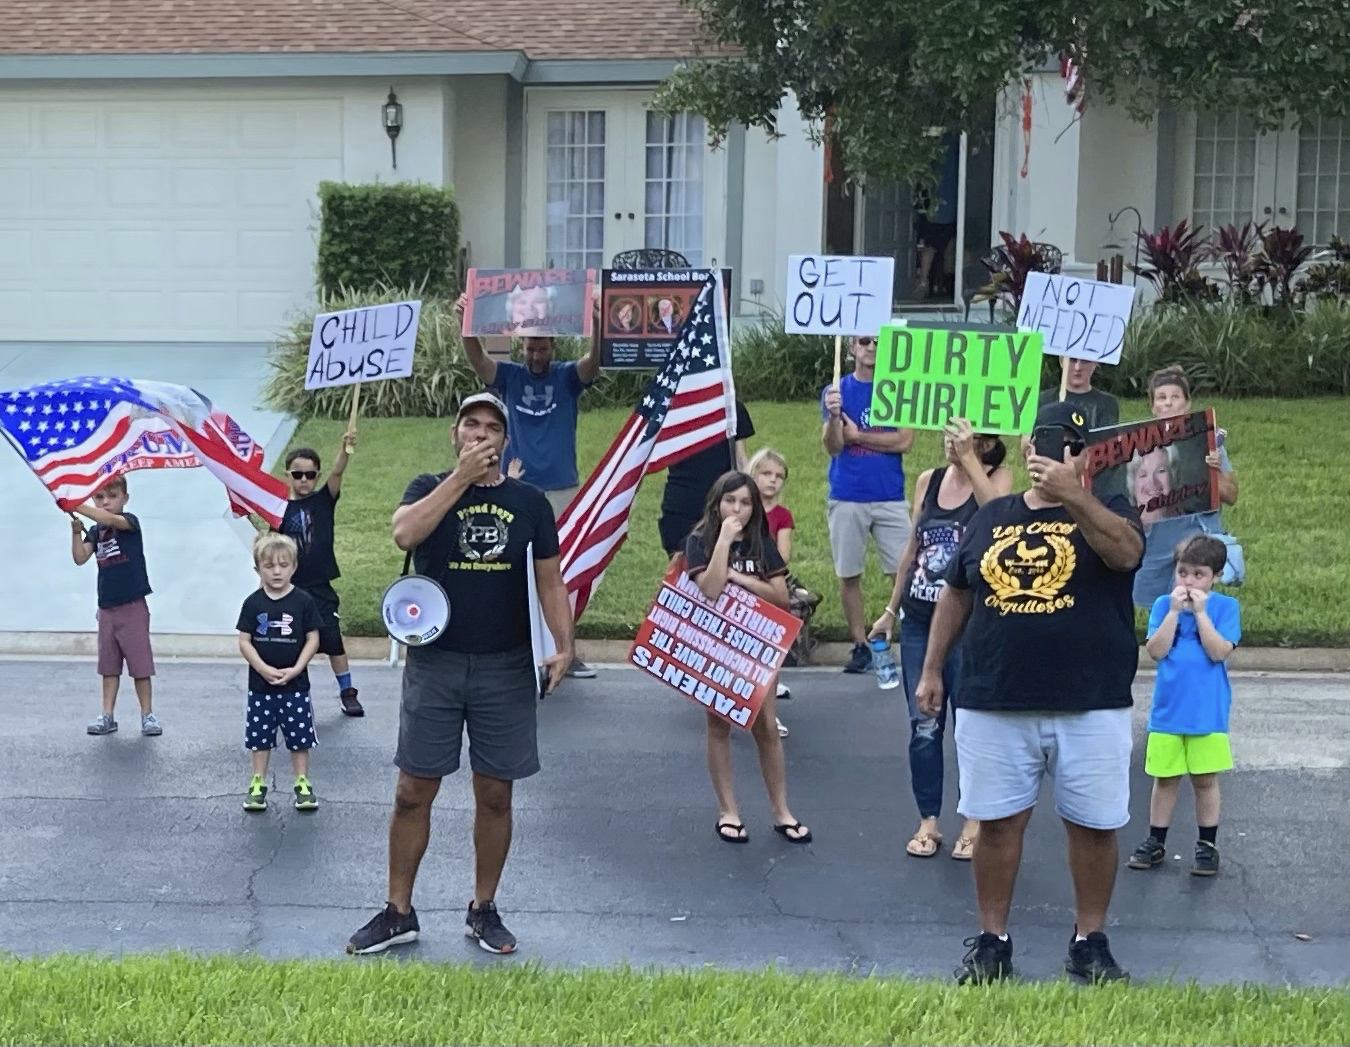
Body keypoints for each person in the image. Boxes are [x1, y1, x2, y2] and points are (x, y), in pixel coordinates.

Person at [915, 400, 1143, 985]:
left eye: (1070, 444)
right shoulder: (992, 516)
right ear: (1026, 449)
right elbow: (957, 593)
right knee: (995, 825)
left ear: (1087, 454)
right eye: (1046, 441)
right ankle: (993, 942)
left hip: (1090, 699)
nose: (1055, 452)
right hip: (996, 696)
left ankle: (1089, 940)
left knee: (1094, 827)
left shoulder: (1110, 507)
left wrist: (1076, 495)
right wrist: (933, 669)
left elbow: (1125, 553)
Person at [347, 392, 574, 957]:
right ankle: (398, 911)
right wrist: (460, 480)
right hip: (436, 662)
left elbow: (550, 579)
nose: (480, 433)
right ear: (455, 434)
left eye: (492, 427)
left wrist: (564, 644)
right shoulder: (428, 487)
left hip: (505, 664)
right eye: (470, 425)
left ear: (505, 440)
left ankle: (484, 907)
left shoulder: (530, 504)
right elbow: (404, 534)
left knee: (496, 793)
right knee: (411, 790)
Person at [869, 419, 1012, 861]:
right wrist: (891, 610)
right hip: (919, 620)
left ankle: (974, 819)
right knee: (924, 723)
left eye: (966, 436)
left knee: (971, 727)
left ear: (987, 442)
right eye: (950, 434)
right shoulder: (928, 480)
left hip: (971, 624)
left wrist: (970, 461)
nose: (954, 442)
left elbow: (999, 522)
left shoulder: (997, 478)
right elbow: (911, 550)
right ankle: (928, 818)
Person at [456, 291, 600, 679]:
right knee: (517, 568)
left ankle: (565, 648)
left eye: (543, 348)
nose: (536, 356)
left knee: (563, 572)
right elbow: (479, 360)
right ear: (522, 347)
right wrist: (466, 324)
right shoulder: (511, 377)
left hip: (563, 488)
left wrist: (599, 324)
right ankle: (524, 643)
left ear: (553, 346)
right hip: (518, 487)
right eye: (530, 348)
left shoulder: (567, 377)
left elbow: (593, 362)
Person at [685, 471, 810, 846]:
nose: (736, 509)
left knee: (766, 727)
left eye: (744, 502)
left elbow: (780, 596)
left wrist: (738, 580)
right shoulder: (699, 540)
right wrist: (723, 540)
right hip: (716, 648)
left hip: (757, 649)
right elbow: (708, 587)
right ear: (716, 502)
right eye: (729, 500)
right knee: (719, 726)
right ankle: (729, 811)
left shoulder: (761, 542)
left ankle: (781, 811)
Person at [1128, 535, 1240, 878]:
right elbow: (1156, 650)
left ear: (1216, 576)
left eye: (1199, 575)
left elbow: (1219, 651)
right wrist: (1175, 614)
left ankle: (1207, 845)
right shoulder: (1164, 606)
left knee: (1205, 780)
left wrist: (1201, 614)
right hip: (1168, 712)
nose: (1189, 582)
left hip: (1207, 713)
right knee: (1165, 779)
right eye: (1183, 572)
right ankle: (1155, 840)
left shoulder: (1225, 608)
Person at [822, 335, 915, 673]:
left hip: (889, 494)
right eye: (864, 341)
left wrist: (858, 436)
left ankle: (912, 635)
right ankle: (860, 645)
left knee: (905, 571)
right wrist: (834, 418)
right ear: (851, 348)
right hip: (847, 493)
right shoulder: (837, 391)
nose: (872, 347)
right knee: (849, 574)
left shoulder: (898, 388)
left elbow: (904, 440)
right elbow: (833, 447)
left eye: (878, 342)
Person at [1132, 366, 1239, 608]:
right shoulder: (1136, 447)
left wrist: (1213, 471)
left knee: (1192, 611)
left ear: (1187, 403)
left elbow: (1231, 495)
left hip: (1195, 547)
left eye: (1175, 397)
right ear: (1153, 407)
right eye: (1161, 398)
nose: (1168, 404)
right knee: (1152, 608)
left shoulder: (1209, 443)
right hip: (1154, 546)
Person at [276, 437, 363, 717]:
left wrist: (344, 449)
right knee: (291, 644)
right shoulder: (277, 509)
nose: (304, 480)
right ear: (287, 475)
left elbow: (338, 473)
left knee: (333, 640)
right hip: (290, 587)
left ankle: (347, 691)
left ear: (317, 476)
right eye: (298, 474)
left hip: (320, 586)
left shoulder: (324, 500)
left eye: (310, 474)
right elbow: (270, 547)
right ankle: (296, 695)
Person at [235, 534, 322, 812]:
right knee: (260, 737)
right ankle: (258, 782)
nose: (276, 571)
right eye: (269, 566)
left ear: (294, 567)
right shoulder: (252, 603)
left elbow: (313, 638)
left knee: (299, 738)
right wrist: (262, 668)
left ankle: (302, 783)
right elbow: (244, 640)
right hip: (261, 686)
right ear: (257, 569)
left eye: (283, 565)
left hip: (295, 686)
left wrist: (297, 668)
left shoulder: (303, 601)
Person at [71, 476, 161, 737]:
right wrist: (77, 532)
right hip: (107, 607)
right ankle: (107, 714)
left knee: (140, 664)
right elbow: (80, 557)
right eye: (99, 497)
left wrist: (76, 504)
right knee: (108, 666)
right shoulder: (95, 531)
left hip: (132, 605)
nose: (106, 502)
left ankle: (148, 715)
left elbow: (111, 520)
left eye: (112, 497)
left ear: (125, 499)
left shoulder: (129, 522)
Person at [658, 401, 754, 558]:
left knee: (723, 563)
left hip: (723, 501)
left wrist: (752, 497)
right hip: (682, 503)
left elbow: (741, 460)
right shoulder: (672, 408)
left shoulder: (731, 406)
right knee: (682, 570)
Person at [749, 447, 796, 736]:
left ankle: (769, 717)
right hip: (740, 594)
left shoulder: (782, 516)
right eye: (766, 473)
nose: (772, 481)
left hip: (770, 591)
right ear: (752, 475)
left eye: (779, 476)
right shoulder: (741, 509)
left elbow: (783, 556)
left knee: (769, 660)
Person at [1126, 445, 1180, 527]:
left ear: (1173, 476)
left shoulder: (1195, 521)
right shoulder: (1122, 531)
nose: (1152, 482)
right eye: (1143, 475)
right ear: (1133, 484)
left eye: (1160, 471)